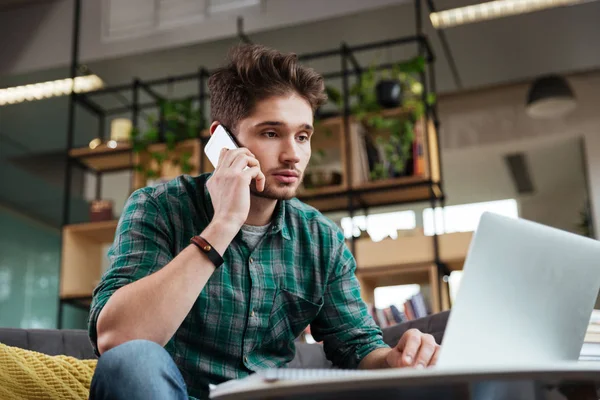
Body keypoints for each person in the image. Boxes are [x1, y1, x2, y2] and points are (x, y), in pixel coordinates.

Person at [88, 44, 441, 400]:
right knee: (132, 360)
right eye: (271, 133)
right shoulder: (158, 208)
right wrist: (223, 224)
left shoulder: (320, 239)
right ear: (222, 142)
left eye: (303, 137)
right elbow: (118, 339)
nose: (293, 155)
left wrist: (395, 360)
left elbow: (358, 346)